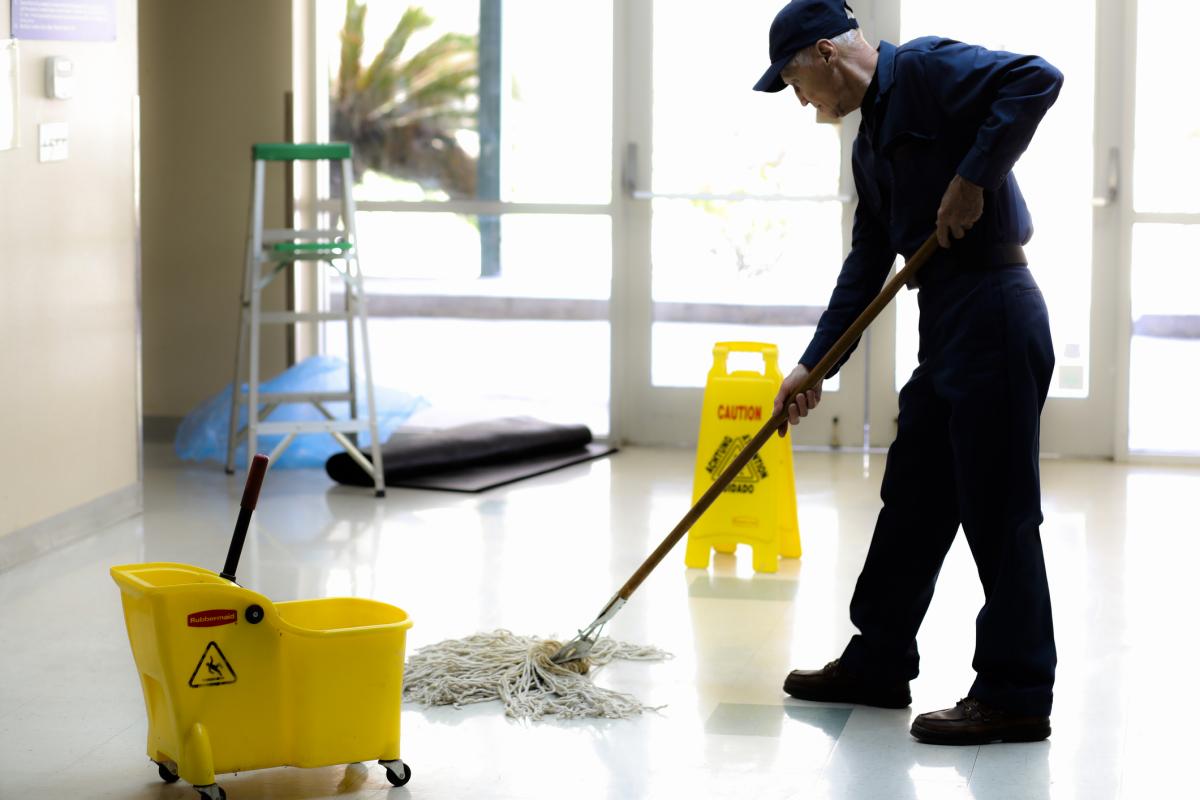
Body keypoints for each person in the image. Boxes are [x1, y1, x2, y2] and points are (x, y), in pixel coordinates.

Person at [753, 0, 1063, 745]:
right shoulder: (870, 146)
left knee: (999, 509)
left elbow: (1036, 79)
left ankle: (1016, 693)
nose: (801, 101)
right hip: (949, 317)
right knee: (915, 496)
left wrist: (973, 176)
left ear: (826, 53)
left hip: (994, 303)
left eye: (796, 82)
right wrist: (812, 366)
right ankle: (878, 660)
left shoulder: (925, 69)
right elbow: (866, 265)